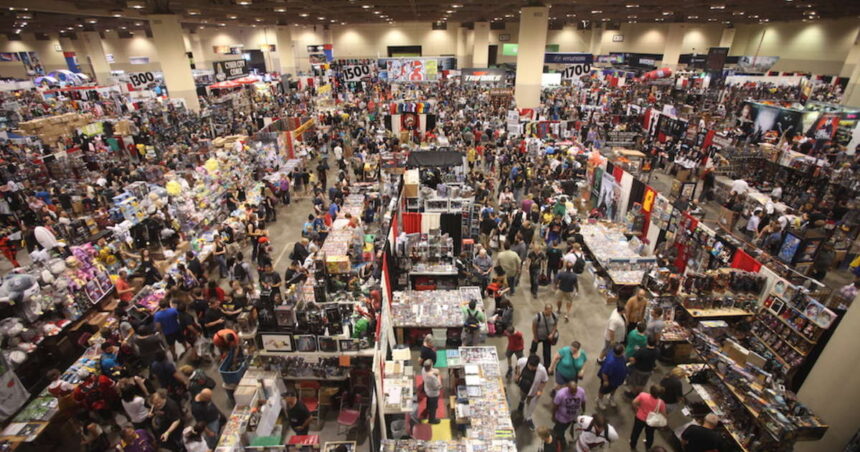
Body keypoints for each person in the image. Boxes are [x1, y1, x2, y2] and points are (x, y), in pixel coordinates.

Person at [515, 354, 549, 431]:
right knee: (522, 395)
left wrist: (540, 390)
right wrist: (517, 374)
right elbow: (518, 365)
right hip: (523, 385)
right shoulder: (522, 361)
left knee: (530, 403)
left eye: (534, 367)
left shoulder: (542, 370)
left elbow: (544, 380)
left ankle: (528, 417)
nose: (531, 368)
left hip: (533, 389)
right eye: (530, 366)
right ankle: (521, 403)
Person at [552, 380, 586, 449]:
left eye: (575, 391)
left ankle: (571, 441)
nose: (574, 393)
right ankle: (563, 444)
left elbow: (583, 402)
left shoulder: (581, 391)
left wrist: (583, 410)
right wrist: (553, 416)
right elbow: (555, 406)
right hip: (562, 418)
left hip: (574, 416)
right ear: (568, 388)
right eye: (572, 392)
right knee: (558, 431)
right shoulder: (561, 394)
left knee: (573, 430)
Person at [630, 385, 666, 450]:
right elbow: (664, 414)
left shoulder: (643, 395)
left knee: (636, 432)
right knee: (650, 434)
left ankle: (633, 445)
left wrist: (637, 411)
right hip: (652, 421)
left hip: (640, 418)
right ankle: (648, 446)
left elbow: (634, 403)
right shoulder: (661, 403)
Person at [596, 344, 627, 410]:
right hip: (610, 380)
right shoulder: (610, 362)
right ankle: (599, 400)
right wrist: (606, 381)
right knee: (603, 390)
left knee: (614, 388)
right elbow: (604, 373)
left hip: (617, 379)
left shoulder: (620, 356)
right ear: (621, 352)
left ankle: (611, 397)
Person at [531, 303, 559, 368]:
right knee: (533, 348)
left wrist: (552, 334)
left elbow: (555, 325)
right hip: (538, 336)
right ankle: (532, 360)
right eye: (548, 311)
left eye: (551, 311)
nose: (550, 313)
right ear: (545, 310)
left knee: (547, 353)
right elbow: (534, 327)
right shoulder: (538, 317)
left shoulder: (554, 316)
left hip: (548, 338)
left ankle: (547, 366)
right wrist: (535, 337)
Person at [422, 359, 442, 424]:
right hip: (433, 394)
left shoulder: (423, 370)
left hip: (427, 389)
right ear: (431, 366)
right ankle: (432, 420)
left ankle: (428, 408)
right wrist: (438, 376)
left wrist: (434, 371)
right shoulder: (432, 378)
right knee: (433, 407)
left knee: (428, 401)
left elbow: (433, 370)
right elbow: (438, 386)